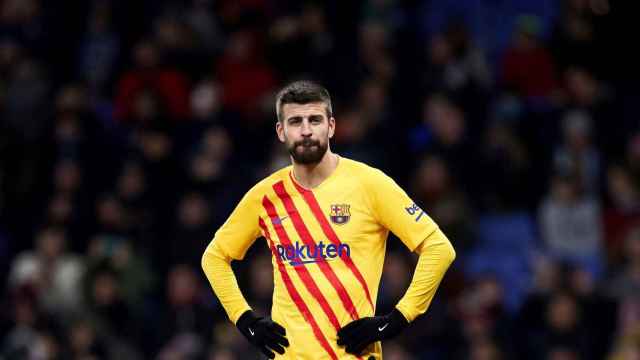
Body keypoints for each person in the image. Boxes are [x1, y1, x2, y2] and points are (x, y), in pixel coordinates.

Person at [201, 81, 456, 359]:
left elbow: (439, 248)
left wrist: (397, 319)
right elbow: (214, 257)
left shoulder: (369, 184)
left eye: (315, 120)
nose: (306, 130)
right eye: (295, 121)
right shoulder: (265, 196)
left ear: (331, 127)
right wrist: (244, 319)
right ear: (281, 131)